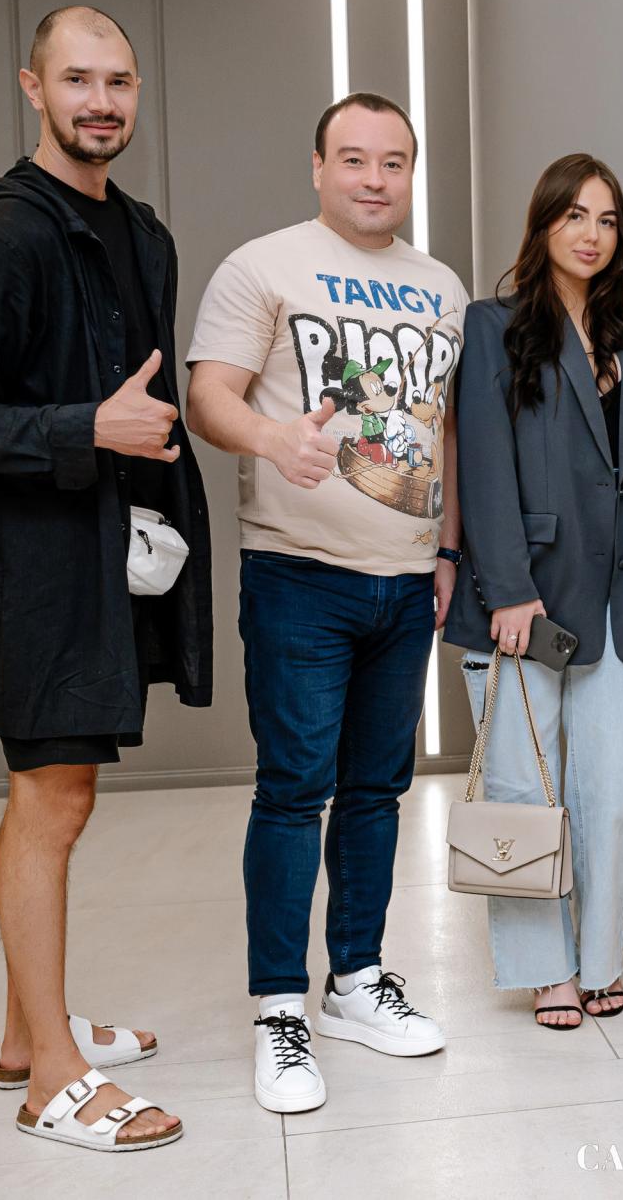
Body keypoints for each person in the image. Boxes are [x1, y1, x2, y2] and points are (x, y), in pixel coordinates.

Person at [0, 5, 206, 1152]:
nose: (102, 101)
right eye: (77, 79)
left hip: (114, 555)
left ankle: (20, 1032)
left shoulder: (142, 231)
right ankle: (53, 1078)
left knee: (65, 791)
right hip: (39, 570)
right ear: (32, 87)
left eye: (119, 80)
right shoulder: (4, 234)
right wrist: (89, 425)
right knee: (52, 798)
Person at [185, 92, 464, 1112]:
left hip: (406, 580)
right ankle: (278, 1007)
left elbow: (441, 428)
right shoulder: (262, 265)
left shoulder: (441, 286)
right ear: (318, 167)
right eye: (353, 158)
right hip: (298, 572)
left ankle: (355, 979)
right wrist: (273, 439)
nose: (374, 178)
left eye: (393, 161)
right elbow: (208, 394)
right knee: (294, 789)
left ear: (411, 172)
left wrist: (447, 547)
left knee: (378, 789)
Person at [445, 154, 623, 1030]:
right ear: (544, 223)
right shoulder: (495, 325)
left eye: (607, 219)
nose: (592, 234)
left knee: (618, 789)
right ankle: (544, 967)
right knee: (522, 787)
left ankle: (600, 959)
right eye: (575, 215)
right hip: (528, 599)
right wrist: (507, 586)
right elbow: (483, 459)